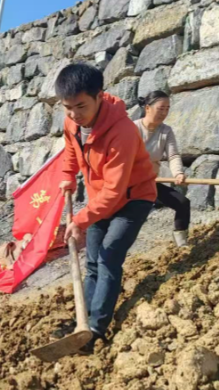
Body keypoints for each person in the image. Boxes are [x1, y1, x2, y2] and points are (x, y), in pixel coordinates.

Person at [55, 63, 157, 351]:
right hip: (101, 200)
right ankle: (82, 322)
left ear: (99, 96)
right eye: (67, 107)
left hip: (134, 198)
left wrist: (81, 220)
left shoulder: (121, 131)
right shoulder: (72, 123)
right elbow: (70, 152)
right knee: (92, 262)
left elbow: (116, 190)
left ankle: (97, 329)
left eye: (81, 106)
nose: (75, 114)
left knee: (109, 256)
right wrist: (67, 177)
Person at [134, 91, 191, 247]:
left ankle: (181, 242)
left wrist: (178, 173)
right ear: (148, 108)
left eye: (167, 108)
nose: (164, 113)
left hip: (151, 183)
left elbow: (173, 156)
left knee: (183, 203)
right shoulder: (133, 129)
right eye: (161, 108)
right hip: (130, 184)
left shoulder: (166, 131)